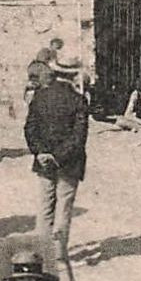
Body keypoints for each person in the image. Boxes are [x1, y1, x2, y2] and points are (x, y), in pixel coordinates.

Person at [26, 56, 88, 261]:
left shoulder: (39, 97)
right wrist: (58, 156)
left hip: (44, 162)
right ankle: (59, 253)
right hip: (68, 162)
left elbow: (30, 130)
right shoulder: (78, 100)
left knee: (45, 206)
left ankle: (43, 252)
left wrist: (41, 153)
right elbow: (79, 137)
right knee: (64, 206)